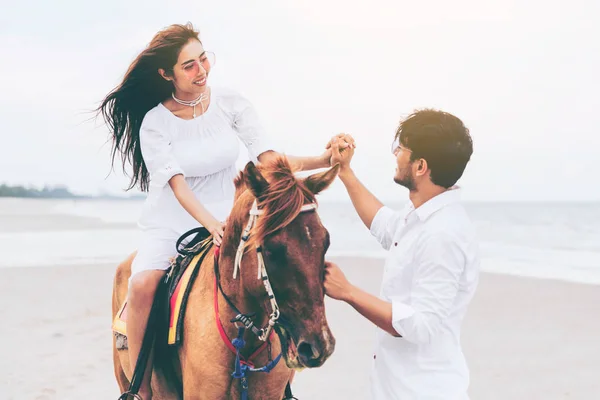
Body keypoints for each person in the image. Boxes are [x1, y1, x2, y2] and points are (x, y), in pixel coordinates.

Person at [98, 22, 331, 399]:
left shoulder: (230, 102)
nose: (201, 69)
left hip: (232, 215)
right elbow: (177, 184)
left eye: (203, 58)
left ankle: (282, 378)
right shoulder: (154, 123)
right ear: (166, 74)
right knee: (141, 284)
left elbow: (269, 159)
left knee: (273, 273)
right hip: (174, 220)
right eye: (189, 65)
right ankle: (139, 391)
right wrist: (210, 224)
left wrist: (322, 158)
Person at [323, 109, 480, 399]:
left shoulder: (443, 233)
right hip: (396, 385)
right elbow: (385, 225)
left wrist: (348, 292)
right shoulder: (424, 214)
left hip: (422, 390)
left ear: (420, 166)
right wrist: (344, 172)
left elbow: (422, 326)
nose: (395, 154)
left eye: (401, 148)